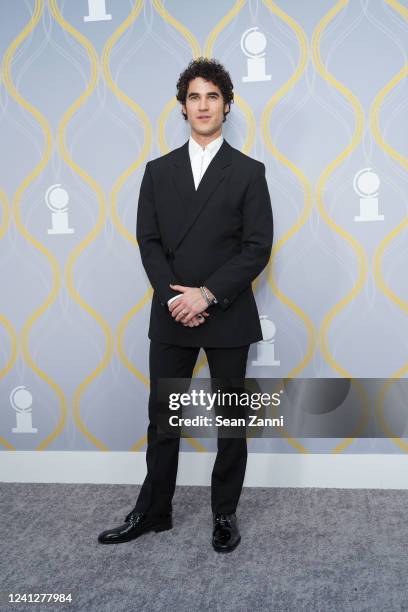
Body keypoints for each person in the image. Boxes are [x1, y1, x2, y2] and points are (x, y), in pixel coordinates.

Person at [98, 57, 273, 552]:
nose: (203, 105)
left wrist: (208, 295)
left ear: (226, 105)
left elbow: (257, 246)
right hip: (171, 309)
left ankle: (224, 513)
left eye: (212, 96)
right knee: (162, 417)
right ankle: (154, 512)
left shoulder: (248, 171)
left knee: (231, 421)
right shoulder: (157, 172)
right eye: (194, 96)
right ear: (182, 106)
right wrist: (177, 298)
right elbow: (148, 242)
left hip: (227, 311)